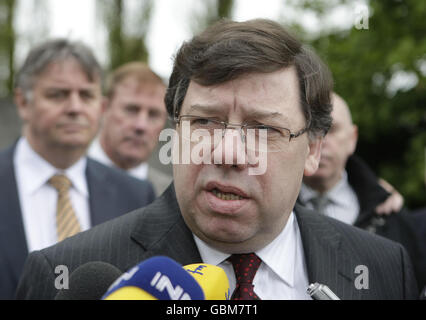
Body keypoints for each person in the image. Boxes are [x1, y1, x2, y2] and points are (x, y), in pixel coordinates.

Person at [16, 20, 418, 300]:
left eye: (263, 129)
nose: (227, 154)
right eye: (205, 121)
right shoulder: (63, 274)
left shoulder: (382, 267)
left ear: (312, 149)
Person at [0, 39, 155, 299]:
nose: (75, 108)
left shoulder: (136, 196)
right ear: (23, 103)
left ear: (102, 107)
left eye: (86, 95)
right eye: (58, 94)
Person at [299, 92, 425, 290]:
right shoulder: (271, 214)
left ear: (352, 139)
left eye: (331, 129)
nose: (320, 140)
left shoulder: (390, 215)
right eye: (310, 129)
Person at [88, 62, 172, 196]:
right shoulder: (63, 180)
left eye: (153, 114)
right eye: (131, 110)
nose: (141, 125)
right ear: (103, 109)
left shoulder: (173, 199)